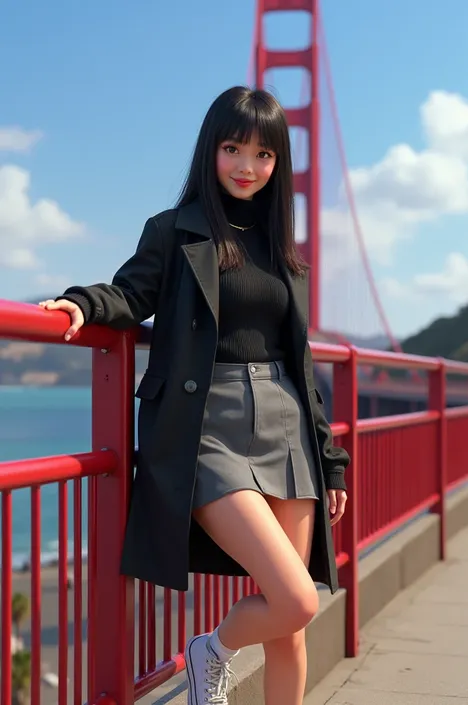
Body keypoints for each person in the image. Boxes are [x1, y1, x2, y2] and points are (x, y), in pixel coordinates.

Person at [39, 86, 349, 705]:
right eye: (232, 148)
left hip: (288, 428)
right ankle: (214, 649)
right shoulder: (175, 231)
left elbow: (301, 360)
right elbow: (129, 295)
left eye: (263, 155)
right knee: (293, 596)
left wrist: (331, 458)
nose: (246, 166)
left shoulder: (286, 251)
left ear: (278, 164)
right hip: (208, 428)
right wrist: (82, 301)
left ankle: (222, 655)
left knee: (291, 627)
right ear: (210, 150)